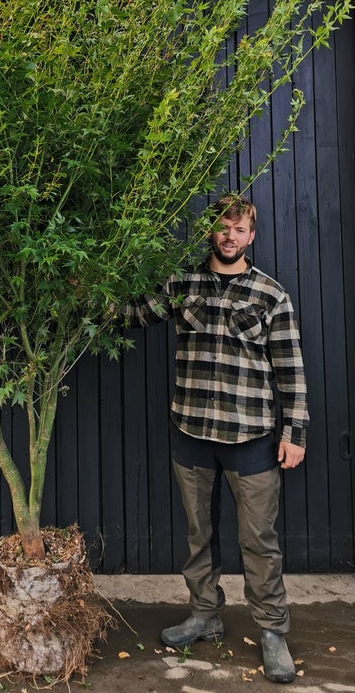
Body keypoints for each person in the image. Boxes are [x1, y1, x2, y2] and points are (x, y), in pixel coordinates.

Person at [119, 194, 307, 684]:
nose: (230, 236)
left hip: (251, 440)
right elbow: (135, 314)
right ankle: (205, 615)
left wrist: (296, 432)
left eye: (240, 229)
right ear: (212, 232)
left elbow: (290, 368)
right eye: (223, 227)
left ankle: (272, 631)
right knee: (199, 536)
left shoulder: (271, 295)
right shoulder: (182, 284)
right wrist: (82, 294)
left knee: (259, 542)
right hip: (192, 433)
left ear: (252, 236)